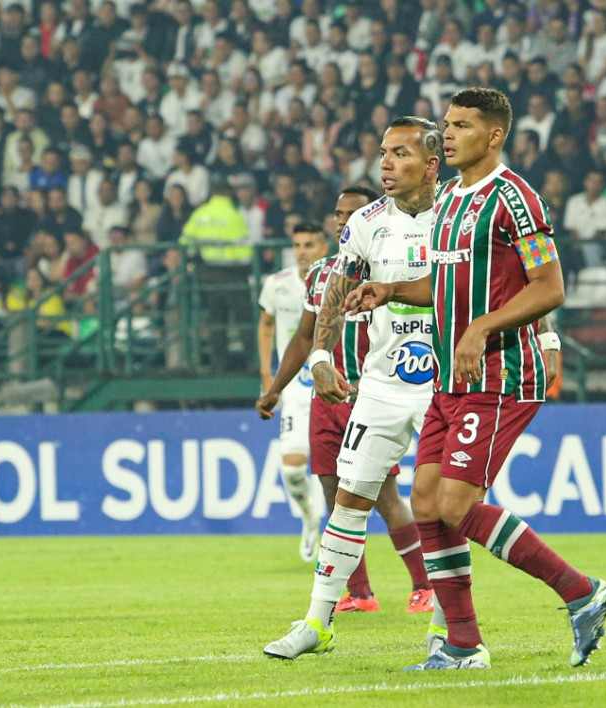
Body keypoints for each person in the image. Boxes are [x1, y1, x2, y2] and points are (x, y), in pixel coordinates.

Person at [345, 88, 606, 671]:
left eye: (462, 125)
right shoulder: (448, 200)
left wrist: (480, 330)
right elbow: (443, 285)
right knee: (425, 502)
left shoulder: (517, 199)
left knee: (456, 502)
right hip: (450, 377)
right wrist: (391, 289)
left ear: (493, 135)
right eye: (446, 124)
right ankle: (463, 645)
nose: (448, 134)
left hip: (499, 372)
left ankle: (582, 592)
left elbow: (550, 287)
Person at [263, 116, 442, 660]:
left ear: (432, 164)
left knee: (440, 505)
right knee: (348, 498)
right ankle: (318, 622)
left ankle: (446, 623)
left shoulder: (459, 213)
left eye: (400, 153)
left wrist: (545, 341)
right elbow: (336, 287)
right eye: (383, 153)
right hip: (383, 381)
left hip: (446, 378)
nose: (385, 163)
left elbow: (481, 283)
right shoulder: (365, 221)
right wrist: (319, 356)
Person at [256, 222, 327, 563]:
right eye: (297, 244)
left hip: (333, 381)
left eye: (309, 244)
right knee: (293, 468)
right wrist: (267, 374)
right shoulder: (277, 284)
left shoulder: (337, 279)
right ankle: (310, 517)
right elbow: (266, 324)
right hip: (295, 385)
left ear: (323, 246)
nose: (302, 251)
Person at [179, 172, 254, 373]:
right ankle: (252, 363)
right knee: (244, 320)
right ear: (228, 192)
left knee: (216, 321)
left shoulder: (200, 214)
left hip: (209, 273)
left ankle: (219, 364)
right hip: (235, 274)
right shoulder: (234, 214)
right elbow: (246, 252)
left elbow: (185, 243)